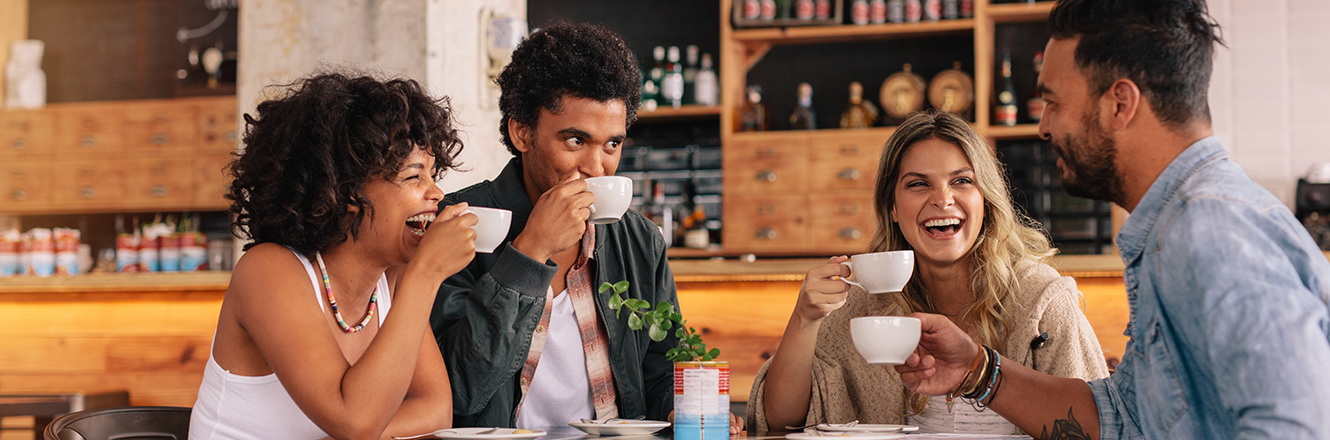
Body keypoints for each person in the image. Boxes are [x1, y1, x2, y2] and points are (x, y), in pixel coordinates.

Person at [894, 0, 1330, 438]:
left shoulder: (1209, 232)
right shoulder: (1176, 229)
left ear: (1120, 104)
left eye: (1053, 102)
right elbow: (1124, 418)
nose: (1044, 127)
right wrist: (975, 368)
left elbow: (1300, 427)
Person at [430, 22, 744, 432]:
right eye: (576, 140)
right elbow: (458, 390)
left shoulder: (640, 240)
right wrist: (529, 252)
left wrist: (679, 408)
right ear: (521, 132)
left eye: (612, 143)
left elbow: (659, 368)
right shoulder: (463, 221)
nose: (596, 167)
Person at [748, 110, 1108, 434]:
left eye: (962, 181)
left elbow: (1098, 424)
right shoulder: (861, 307)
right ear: (891, 206)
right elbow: (778, 423)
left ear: (986, 198)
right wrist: (804, 318)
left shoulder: (1041, 299)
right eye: (919, 184)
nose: (942, 199)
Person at [190, 73, 476, 440]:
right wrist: (427, 273)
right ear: (349, 193)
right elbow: (354, 421)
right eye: (413, 177)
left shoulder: (392, 278)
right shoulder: (269, 271)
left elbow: (435, 411)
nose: (436, 193)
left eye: (434, 175)